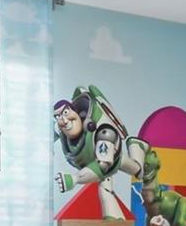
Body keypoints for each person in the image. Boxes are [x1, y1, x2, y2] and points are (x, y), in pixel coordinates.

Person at [53, 85, 150, 219]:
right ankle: (115, 222)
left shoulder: (104, 132)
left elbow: (102, 167)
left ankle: (136, 146)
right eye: (58, 117)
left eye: (65, 113)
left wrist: (75, 179)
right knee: (105, 192)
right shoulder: (64, 134)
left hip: (109, 160)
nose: (63, 120)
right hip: (96, 165)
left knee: (138, 171)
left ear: (75, 112)